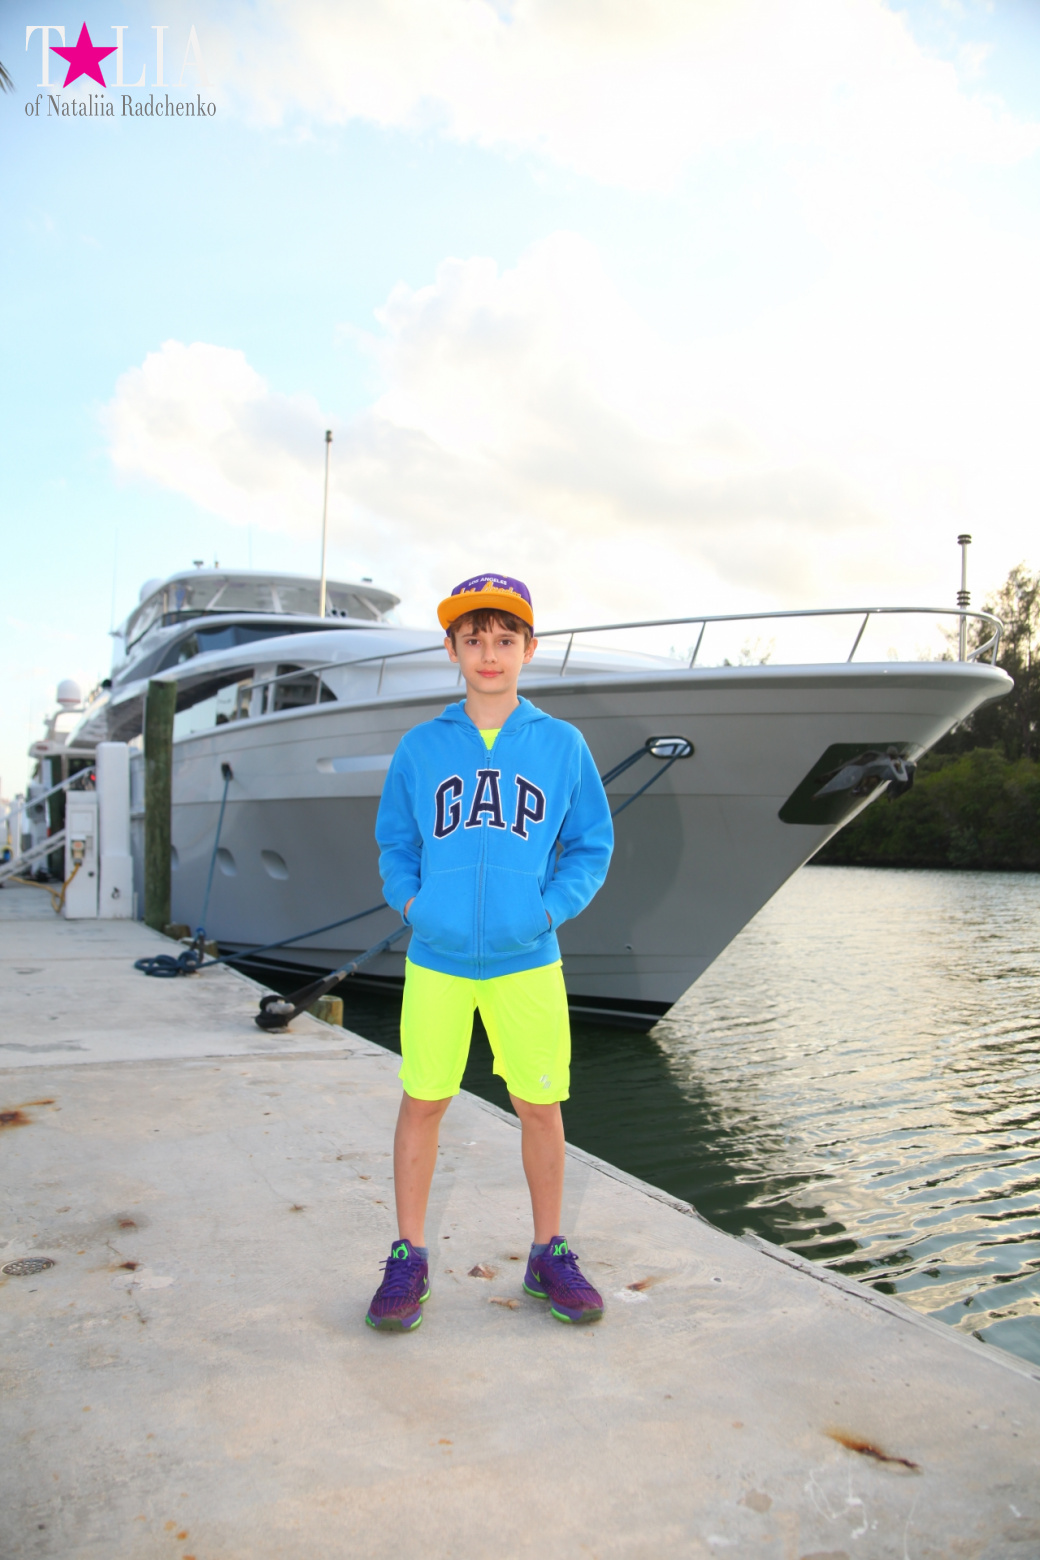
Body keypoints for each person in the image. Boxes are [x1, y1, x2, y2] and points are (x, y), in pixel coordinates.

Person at [366, 572, 614, 1332]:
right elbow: (395, 845)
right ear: (451, 649)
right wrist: (415, 905)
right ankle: (408, 1256)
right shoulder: (421, 747)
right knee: (425, 1099)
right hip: (437, 957)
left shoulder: (561, 745)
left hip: (527, 958)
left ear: (529, 649)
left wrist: (547, 909)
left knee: (539, 1104)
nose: (490, 653)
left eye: (505, 639)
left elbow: (590, 846)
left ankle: (549, 1253)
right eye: (473, 639)